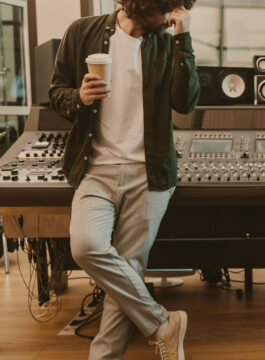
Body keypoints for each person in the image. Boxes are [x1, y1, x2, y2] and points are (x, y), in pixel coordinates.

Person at [49, 0, 199, 358]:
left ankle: (105, 356)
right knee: (86, 247)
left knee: (127, 269)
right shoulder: (81, 32)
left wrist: (185, 40)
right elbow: (57, 92)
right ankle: (163, 324)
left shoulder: (169, 40)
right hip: (95, 168)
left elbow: (186, 102)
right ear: (138, 4)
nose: (169, 17)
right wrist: (79, 97)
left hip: (150, 172)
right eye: (163, 9)